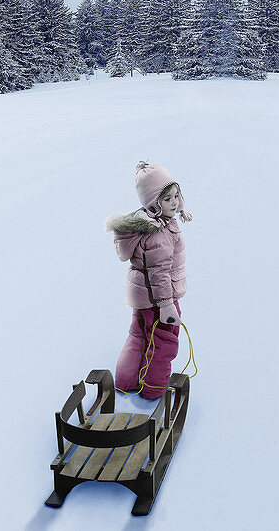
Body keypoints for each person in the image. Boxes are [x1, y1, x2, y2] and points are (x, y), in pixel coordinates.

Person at [105, 161, 192, 399]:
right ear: (154, 203)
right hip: (158, 300)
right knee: (164, 342)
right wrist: (167, 305)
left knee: (139, 336)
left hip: (141, 296)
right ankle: (153, 391)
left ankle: (126, 381)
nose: (174, 202)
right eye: (167, 199)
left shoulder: (149, 223)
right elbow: (159, 272)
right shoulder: (159, 235)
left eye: (176, 195)